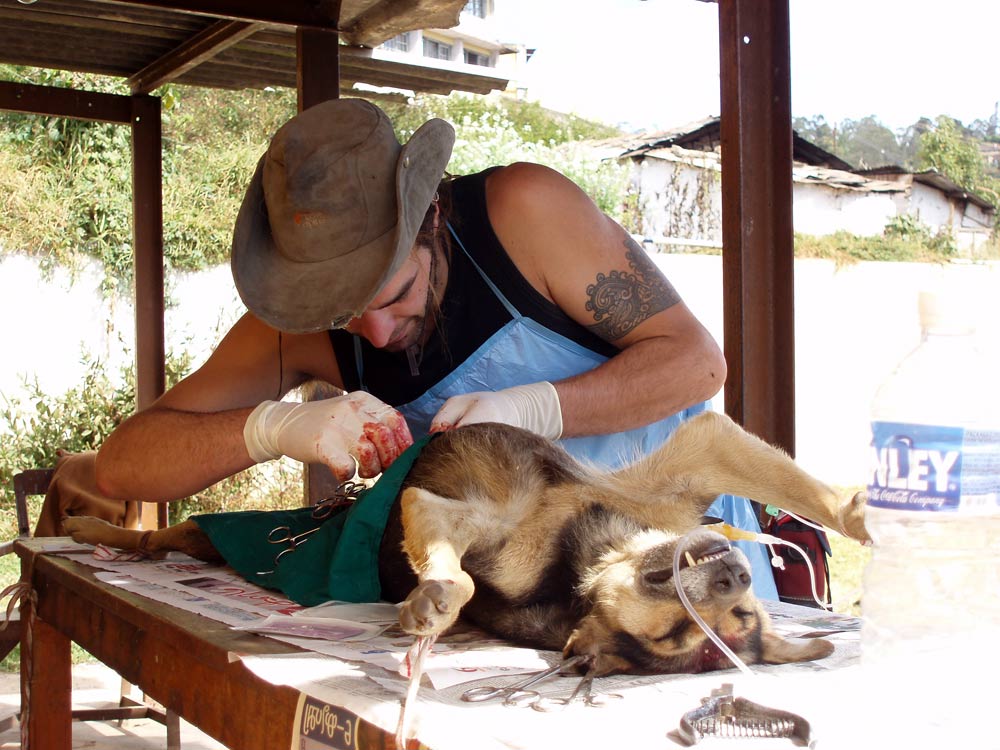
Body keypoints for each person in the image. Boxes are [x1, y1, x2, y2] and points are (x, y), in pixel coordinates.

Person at [95, 98, 777, 597]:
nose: (377, 334)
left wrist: (535, 410)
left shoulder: (525, 213)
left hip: (682, 553)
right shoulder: (294, 324)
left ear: (432, 216)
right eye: (345, 315)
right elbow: (123, 469)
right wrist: (270, 428)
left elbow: (696, 363)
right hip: (532, 593)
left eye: (396, 296)